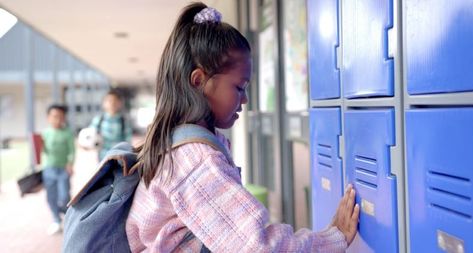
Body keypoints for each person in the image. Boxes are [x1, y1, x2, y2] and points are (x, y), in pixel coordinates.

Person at [126, 2, 359, 252]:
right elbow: (258, 248)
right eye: (239, 87)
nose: (245, 100)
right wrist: (334, 238)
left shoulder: (178, 144)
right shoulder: (195, 160)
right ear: (199, 81)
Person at [41, 104, 75, 235]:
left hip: (63, 170)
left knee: (65, 195)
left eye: (61, 117)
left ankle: (67, 215)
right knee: (51, 197)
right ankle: (56, 220)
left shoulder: (67, 133)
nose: (58, 119)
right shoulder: (46, 133)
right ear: (48, 118)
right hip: (49, 169)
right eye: (55, 116)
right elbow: (42, 151)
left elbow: (72, 151)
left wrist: (70, 164)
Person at [89, 89, 132, 161]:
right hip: (102, 159)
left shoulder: (124, 122)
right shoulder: (98, 120)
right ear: (103, 103)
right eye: (109, 101)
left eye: (115, 101)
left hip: (119, 160)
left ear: (120, 103)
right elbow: (89, 136)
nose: (112, 103)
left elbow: (127, 142)